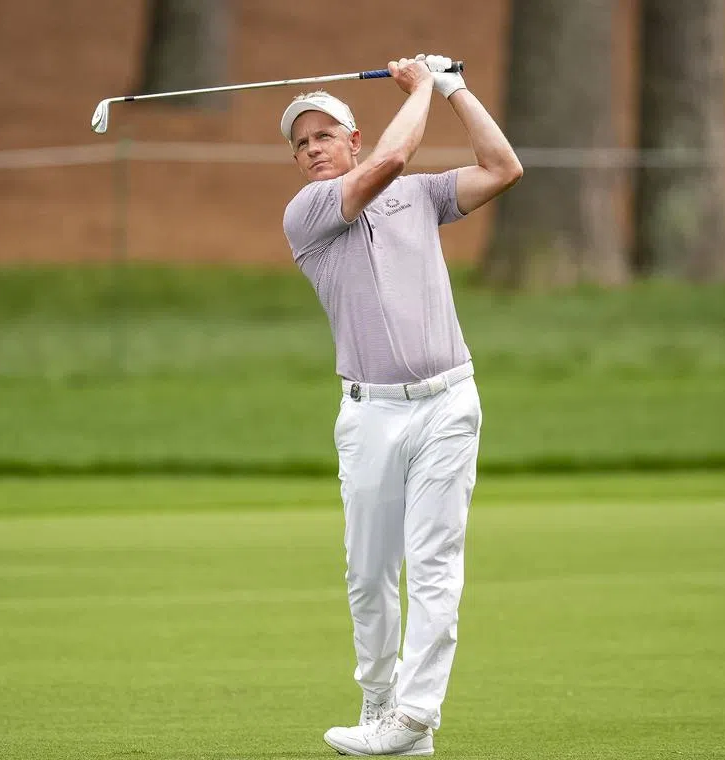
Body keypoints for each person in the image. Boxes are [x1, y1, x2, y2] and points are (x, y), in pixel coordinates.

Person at [280, 54, 522, 756]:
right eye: (302, 142)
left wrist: (454, 90)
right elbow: (387, 163)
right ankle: (382, 709)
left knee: (435, 560)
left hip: (449, 400)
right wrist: (419, 88)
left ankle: (415, 715)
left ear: (351, 139)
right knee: (369, 573)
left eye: (326, 135)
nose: (313, 148)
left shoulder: (421, 195)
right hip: (371, 413)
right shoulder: (311, 212)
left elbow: (503, 167)